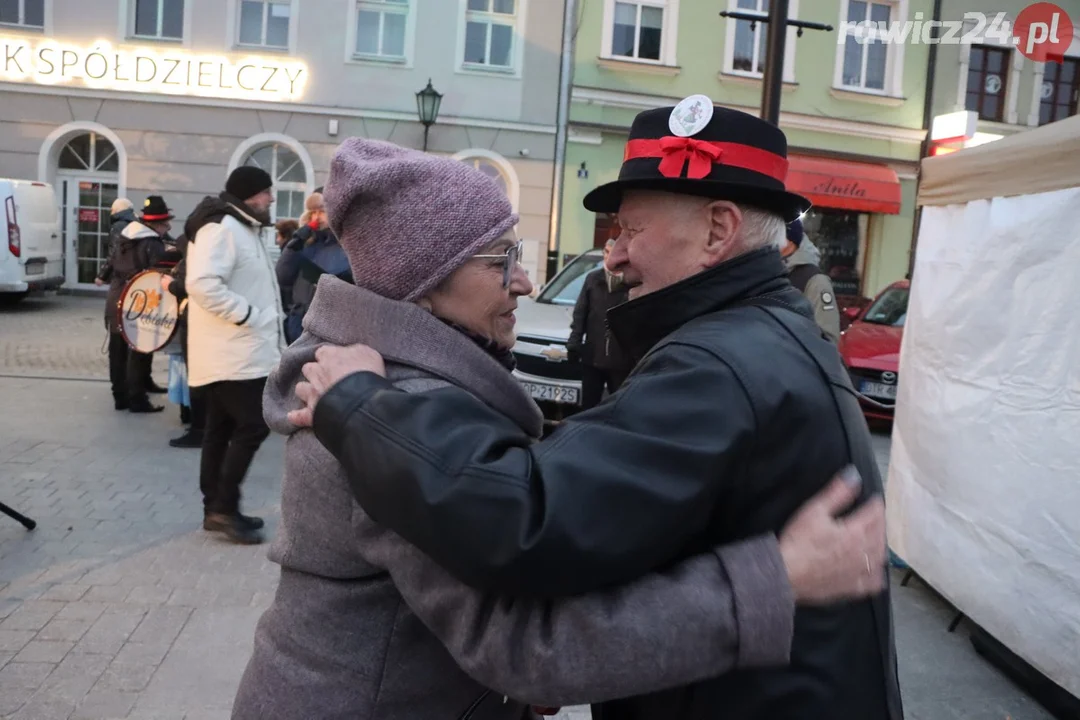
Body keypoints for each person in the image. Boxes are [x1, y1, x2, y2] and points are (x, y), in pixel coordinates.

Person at [232, 138, 888, 720]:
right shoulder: (396, 401)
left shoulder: (391, 397)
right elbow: (526, 643)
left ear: (719, 230)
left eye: (633, 228)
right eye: (499, 260)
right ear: (423, 285)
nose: (524, 279)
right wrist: (772, 583)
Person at [185, 166, 285, 544]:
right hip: (232, 353)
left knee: (220, 429)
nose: (271, 199)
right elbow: (202, 284)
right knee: (254, 425)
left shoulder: (243, 227)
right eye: (266, 192)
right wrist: (247, 316)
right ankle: (223, 507)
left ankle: (217, 508)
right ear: (249, 195)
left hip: (239, 351)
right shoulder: (223, 228)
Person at [97, 197, 167, 409]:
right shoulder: (152, 243)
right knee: (138, 350)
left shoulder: (125, 236)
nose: (168, 227)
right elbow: (158, 274)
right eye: (165, 224)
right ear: (156, 224)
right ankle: (137, 398)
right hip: (139, 301)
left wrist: (102, 275)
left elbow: (111, 261)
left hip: (116, 298)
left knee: (117, 350)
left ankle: (120, 396)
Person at [275, 192, 351, 344]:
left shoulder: (346, 245)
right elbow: (283, 276)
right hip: (299, 321)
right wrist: (295, 243)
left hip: (328, 325)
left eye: (322, 212)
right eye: (313, 213)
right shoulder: (307, 243)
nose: (316, 218)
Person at [568, 238, 630, 409]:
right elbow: (580, 313)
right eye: (606, 252)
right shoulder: (593, 279)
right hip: (593, 356)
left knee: (620, 405)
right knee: (588, 404)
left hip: (621, 360)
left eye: (613, 252)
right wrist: (574, 342)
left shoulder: (631, 281)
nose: (609, 257)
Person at [161, 233, 205, 449]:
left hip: (195, 320)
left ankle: (199, 428)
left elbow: (189, 287)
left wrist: (170, 284)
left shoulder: (192, 260)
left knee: (196, 376)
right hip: (204, 322)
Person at [782, 218, 841, 343]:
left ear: (789, 242)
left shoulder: (815, 281)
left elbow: (828, 339)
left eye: (774, 234)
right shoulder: (767, 272)